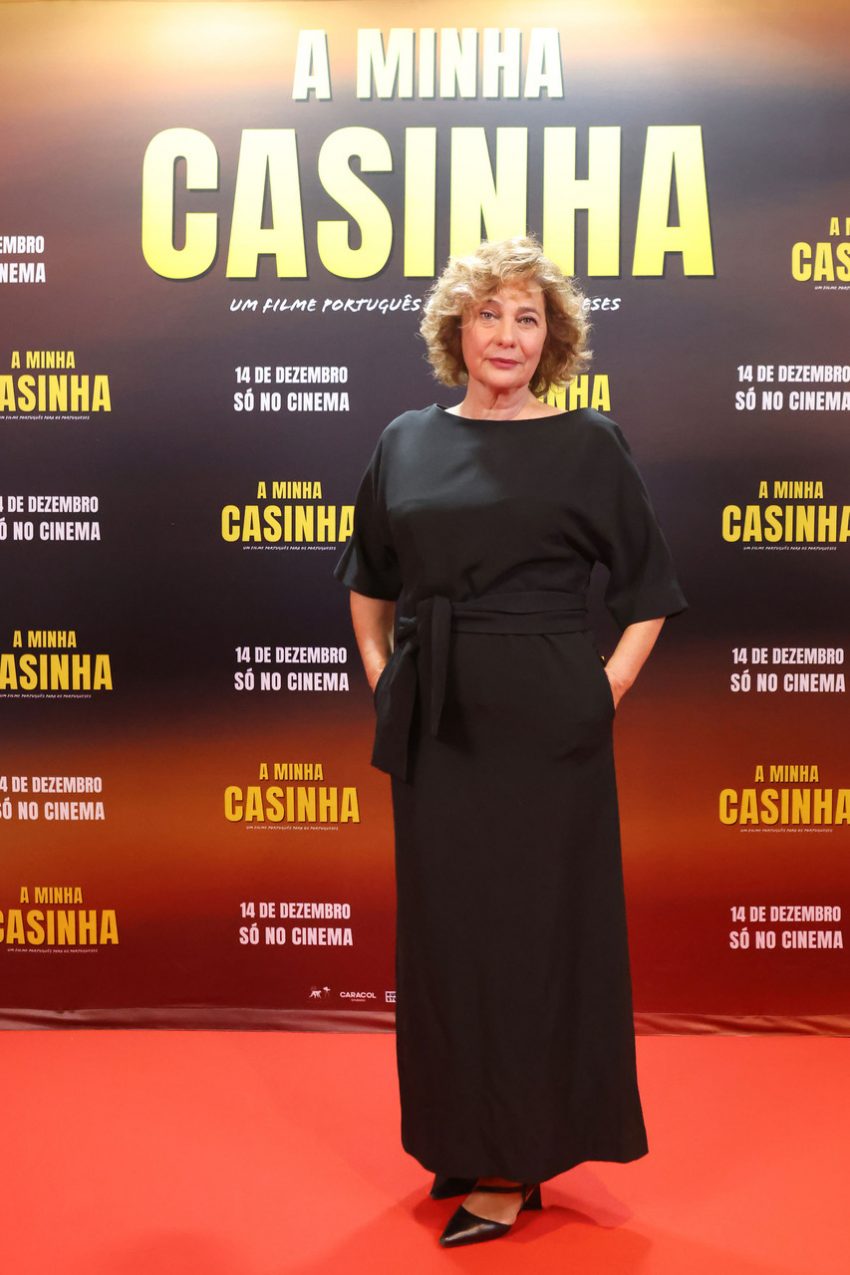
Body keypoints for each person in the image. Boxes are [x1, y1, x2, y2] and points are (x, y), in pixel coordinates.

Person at [333, 235, 687, 1248]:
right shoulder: (405, 440)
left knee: (534, 936)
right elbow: (370, 577)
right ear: (457, 328)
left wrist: (605, 686)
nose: (507, 334)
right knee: (449, 939)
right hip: (436, 724)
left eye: (527, 317)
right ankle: (465, 1133)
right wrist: (383, 675)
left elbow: (648, 589)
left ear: (551, 340)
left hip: (546, 728)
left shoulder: (589, 443)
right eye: (489, 312)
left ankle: (512, 1161)